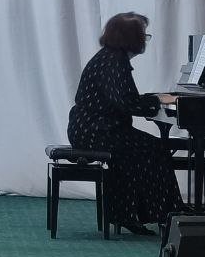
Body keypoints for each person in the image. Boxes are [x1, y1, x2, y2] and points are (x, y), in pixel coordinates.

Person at [67, 12, 182, 234]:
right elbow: (128, 103)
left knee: (137, 154)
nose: (144, 39)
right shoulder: (114, 61)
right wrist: (158, 100)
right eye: (143, 35)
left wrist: (156, 99)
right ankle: (167, 215)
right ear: (131, 37)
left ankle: (127, 213)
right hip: (97, 131)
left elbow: (124, 99)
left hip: (91, 128)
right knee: (155, 149)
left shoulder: (110, 57)